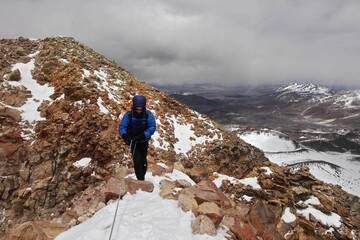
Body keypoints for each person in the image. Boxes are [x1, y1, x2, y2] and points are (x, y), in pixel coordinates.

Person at [118, 95, 156, 180]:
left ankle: (143, 171)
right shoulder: (128, 115)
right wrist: (125, 135)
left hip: (143, 141)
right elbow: (122, 127)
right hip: (133, 141)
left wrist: (144, 135)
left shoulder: (148, 115)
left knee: (143, 159)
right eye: (137, 108)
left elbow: (152, 127)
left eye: (141, 108)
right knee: (137, 160)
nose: (139, 110)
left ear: (144, 107)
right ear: (134, 106)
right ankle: (140, 179)